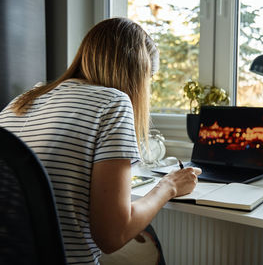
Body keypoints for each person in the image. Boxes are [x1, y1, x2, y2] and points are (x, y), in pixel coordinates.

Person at [0, 18, 201, 265]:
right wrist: (168, 186)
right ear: (139, 75)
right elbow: (112, 236)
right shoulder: (113, 103)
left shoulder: (21, 102)